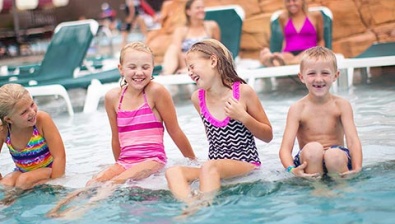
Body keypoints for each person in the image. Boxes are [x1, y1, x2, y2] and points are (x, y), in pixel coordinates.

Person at [47, 41, 196, 218]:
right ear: (121, 69)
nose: (139, 72)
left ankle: (80, 212)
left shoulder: (156, 92)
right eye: (132, 67)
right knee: (92, 182)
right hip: (126, 160)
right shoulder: (112, 98)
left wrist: (192, 161)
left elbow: (175, 130)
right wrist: (119, 165)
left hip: (152, 159)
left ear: (152, 68)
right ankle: (58, 208)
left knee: (115, 182)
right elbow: (116, 138)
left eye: (145, 67)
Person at [165, 39, 273, 212]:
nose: (189, 72)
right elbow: (213, 137)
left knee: (210, 166)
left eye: (192, 66)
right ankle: (191, 205)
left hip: (244, 161)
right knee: (173, 172)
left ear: (213, 61)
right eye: (188, 68)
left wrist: (243, 117)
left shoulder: (243, 92)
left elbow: (268, 135)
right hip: (215, 166)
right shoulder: (197, 98)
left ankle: (205, 209)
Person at [279, 46, 363, 179]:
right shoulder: (297, 109)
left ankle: (343, 190)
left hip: (337, 159)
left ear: (336, 75)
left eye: (325, 73)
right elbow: (285, 148)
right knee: (313, 149)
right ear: (301, 77)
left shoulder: (341, 105)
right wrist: (291, 169)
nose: (318, 79)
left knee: (333, 154)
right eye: (312, 73)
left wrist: (357, 168)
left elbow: (353, 141)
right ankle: (317, 190)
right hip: (309, 160)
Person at [0, 83, 66, 205]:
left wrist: (57, 187)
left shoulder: (42, 120)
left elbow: (59, 156)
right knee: (5, 184)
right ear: (9, 120)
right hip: (21, 170)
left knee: (23, 180)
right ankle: (9, 207)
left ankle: (13, 204)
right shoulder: (3, 130)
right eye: (24, 112)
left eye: (32, 104)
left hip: (48, 169)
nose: (32, 112)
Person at [160, 0, 220, 75]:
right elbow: (177, 51)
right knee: (173, 48)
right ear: (188, 11)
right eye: (198, 8)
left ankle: (167, 75)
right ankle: (166, 74)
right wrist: (186, 67)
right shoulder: (181, 30)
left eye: (202, 7)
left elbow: (218, 48)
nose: (201, 10)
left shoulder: (211, 26)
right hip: (185, 62)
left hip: (205, 60)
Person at [259, 0, 324, 67]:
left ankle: (286, 62)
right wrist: (283, 54)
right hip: (289, 53)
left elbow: (321, 39)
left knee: (306, 56)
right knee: (281, 57)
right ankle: (277, 61)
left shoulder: (315, 15)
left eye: (294, 1)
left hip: (309, 52)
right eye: (288, 1)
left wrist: (321, 54)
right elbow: (286, 38)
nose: (291, 4)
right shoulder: (283, 17)